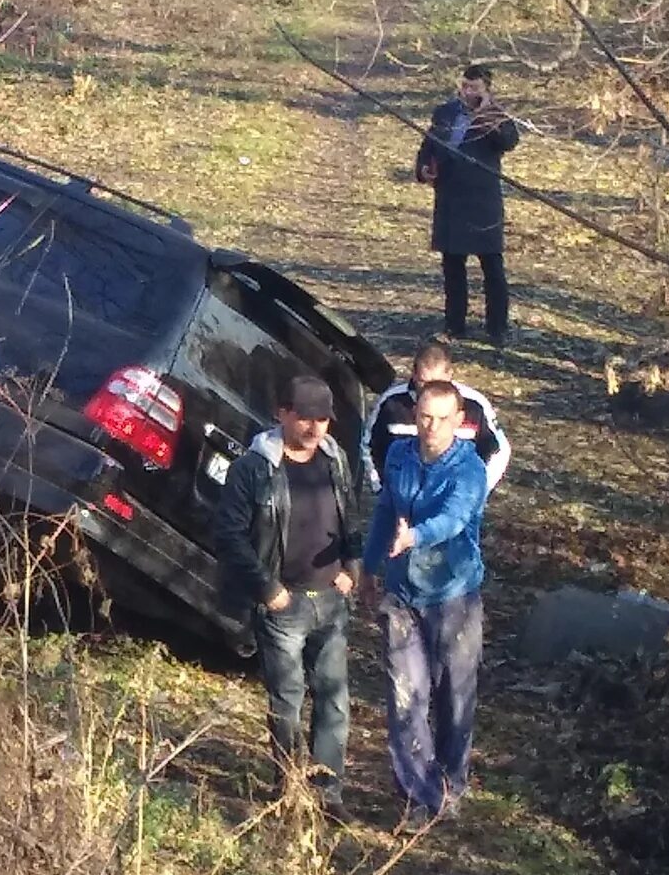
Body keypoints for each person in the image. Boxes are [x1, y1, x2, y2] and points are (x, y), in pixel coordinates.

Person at [213, 371, 360, 819]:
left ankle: (327, 795)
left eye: (323, 419)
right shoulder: (253, 469)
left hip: (331, 599)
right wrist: (268, 589)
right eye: (306, 418)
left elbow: (351, 517)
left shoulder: (335, 460)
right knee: (288, 698)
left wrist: (351, 569)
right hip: (283, 604)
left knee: (334, 699)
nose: (316, 428)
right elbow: (229, 535)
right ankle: (289, 788)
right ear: (282, 414)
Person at [365, 381, 491, 830]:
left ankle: (452, 785)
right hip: (403, 593)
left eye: (441, 418)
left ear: (459, 422)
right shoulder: (399, 455)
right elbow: (384, 509)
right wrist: (368, 565)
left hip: (452, 593)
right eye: (423, 416)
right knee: (405, 696)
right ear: (414, 415)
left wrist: (414, 536)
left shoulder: (469, 469)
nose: (431, 427)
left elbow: (455, 518)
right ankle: (421, 793)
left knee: (454, 697)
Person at [414, 62, 520, 344]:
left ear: (486, 90)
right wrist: (424, 169)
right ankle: (454, 326)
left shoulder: (496, 116)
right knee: (452, 266)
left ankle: (497, 328)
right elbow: (428, 146)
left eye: (474, 87)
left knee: (492, 268)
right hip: (450, 197)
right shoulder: (445, 113)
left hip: (482, 201)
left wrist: (486, 111)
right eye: (465, 85)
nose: (467, 91)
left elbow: (509, 141)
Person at [363, 338, 511, 492]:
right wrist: (380, 487)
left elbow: (498, 449)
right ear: (413, 374)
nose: (430, 389)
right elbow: (368, 445)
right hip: (401, 497)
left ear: (449, 375)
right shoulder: (391, 403)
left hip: (457, 497)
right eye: (423, 382)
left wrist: (479, 490)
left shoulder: (474, 405)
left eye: (438, 382)